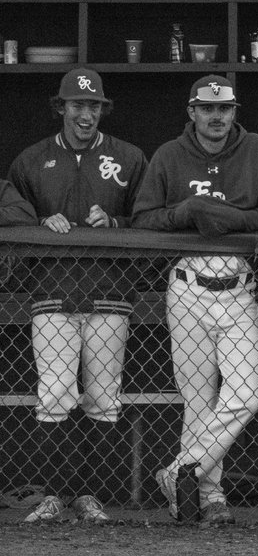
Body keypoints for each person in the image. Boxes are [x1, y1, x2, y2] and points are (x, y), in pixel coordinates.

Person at [132, 74, 258, 525]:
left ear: (234, 111)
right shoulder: (170, 154)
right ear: (192, 112)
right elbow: (143, 217)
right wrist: (186, 213)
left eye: (224, 108)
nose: (217, 116)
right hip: (187, 285)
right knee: (198, 402)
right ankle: (209, 496)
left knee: (246, 395)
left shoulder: (256, 148)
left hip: (238, 286)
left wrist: (226, 218)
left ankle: (181, 471)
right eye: (208, 108)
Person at [11, 68, 145, 524]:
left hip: (110, 293)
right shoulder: (32, 159)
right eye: (77, 105)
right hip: (52, 292)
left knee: (104, 399)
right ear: (61, 108)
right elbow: (13, 215)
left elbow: (151, 217)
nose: (85, 114)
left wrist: (117, 223)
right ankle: (53, 495)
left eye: (93, 106)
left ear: (102, 109)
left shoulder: (128, 157)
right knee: (54, 395)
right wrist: (38, 224)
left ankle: (90, 497)